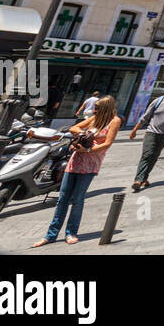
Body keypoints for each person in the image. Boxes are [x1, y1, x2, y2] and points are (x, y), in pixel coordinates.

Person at [33, 96, 121, 246]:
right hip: (75, 161)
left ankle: (71, 232)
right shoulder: (94, 118)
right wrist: (81, 134)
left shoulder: (114, 121)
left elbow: (107, 144)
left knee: (77, 199)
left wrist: (87, 149)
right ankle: (50, 235)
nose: (94, 110)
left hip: (90, 164)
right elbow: (74, 127)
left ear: (106, 108)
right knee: (62, 199)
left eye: (98, 108)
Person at [129, 80, 164, 191]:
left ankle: (144, 179)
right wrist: (134, 130)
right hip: (152, 132)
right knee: (147, 155)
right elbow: (146, 116)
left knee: (154, 157)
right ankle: (138, 180)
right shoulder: (158, 101)